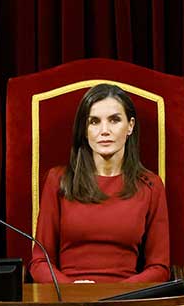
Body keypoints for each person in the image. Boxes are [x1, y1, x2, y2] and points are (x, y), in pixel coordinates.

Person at [29, 83, 170, 284]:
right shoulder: (58, 180)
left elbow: (159, 268)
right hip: (69, 300)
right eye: (94, 122)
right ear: (84, 130)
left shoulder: (151, 185)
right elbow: (39, 262)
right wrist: (72, 290)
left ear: (130, 126)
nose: (104, 130)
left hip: (124, 303)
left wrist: (114, 294)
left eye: (114, 120)